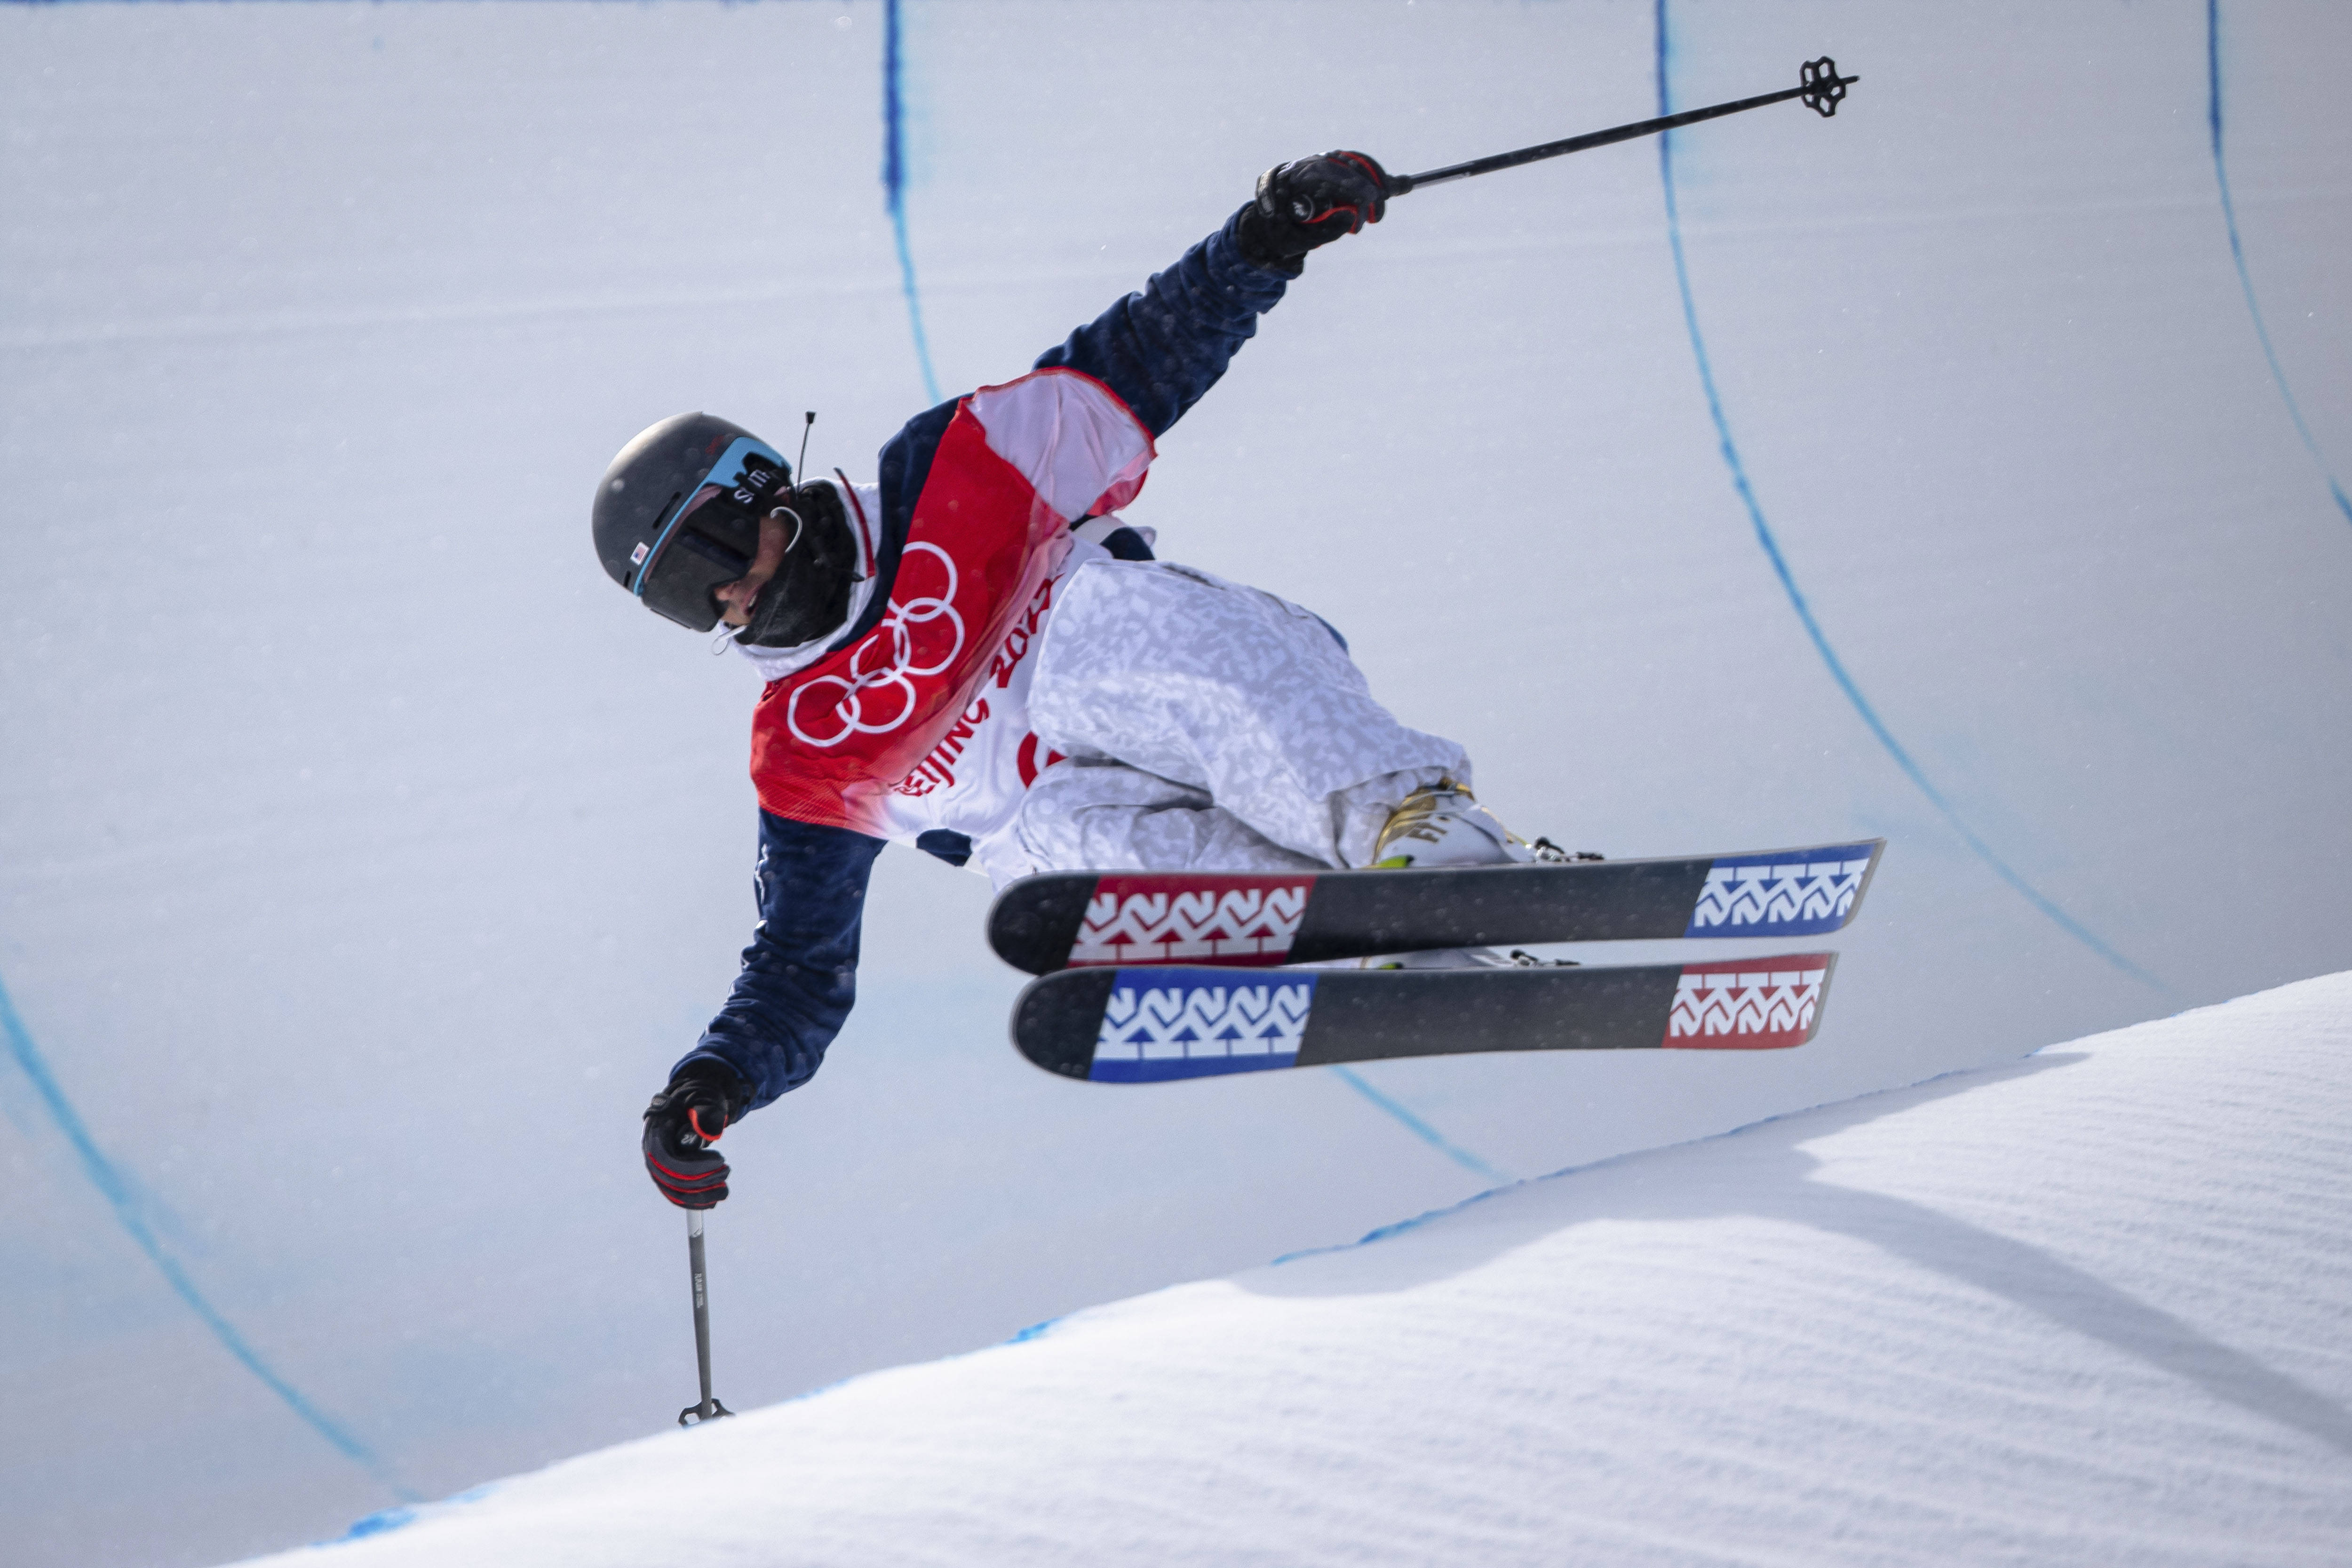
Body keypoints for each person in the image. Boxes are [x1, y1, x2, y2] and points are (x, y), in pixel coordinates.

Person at [597, 153, 1558, 1210]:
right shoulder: (807, 751)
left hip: (1191, 680)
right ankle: (1382, 941)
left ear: (756, 490)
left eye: (713, 551)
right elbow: (795, 970)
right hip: (1096, 834)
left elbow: (1140, 355)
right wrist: (714, 1080)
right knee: (1064, 850)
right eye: (685, 597)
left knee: (1084, 636)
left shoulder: (953, 469)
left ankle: (1413, 824)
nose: (726, 595)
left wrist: (1262, 240)